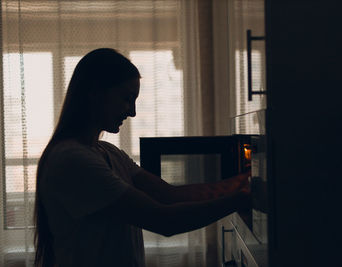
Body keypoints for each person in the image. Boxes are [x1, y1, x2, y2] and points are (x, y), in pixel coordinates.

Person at [33, 48, 251, 267]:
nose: (133, 112)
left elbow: (170, 195)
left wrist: (240, 183)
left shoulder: (108, 152)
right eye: (127, 99)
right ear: (95, 92)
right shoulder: (73, 160)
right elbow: (164, 220)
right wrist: (241, 199)